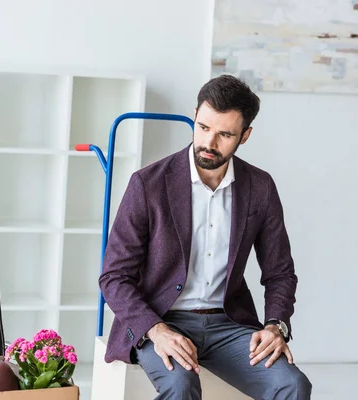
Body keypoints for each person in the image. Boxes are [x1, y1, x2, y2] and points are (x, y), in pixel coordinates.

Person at [98, 75, 312, 399]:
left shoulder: (260, 188)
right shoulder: (148, 184)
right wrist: (156, 330)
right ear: (195, 114)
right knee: (180, 385)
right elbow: (114, 276)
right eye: (203, 127)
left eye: (225, 134)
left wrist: (275, 326)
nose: (209, 143)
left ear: (245, 136)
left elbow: (280, 272)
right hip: (162, 320)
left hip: (230, 325)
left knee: (293, 385)